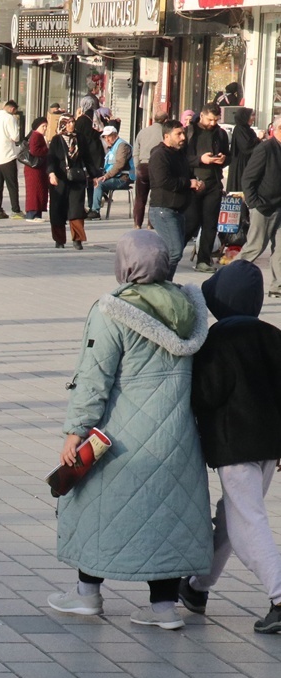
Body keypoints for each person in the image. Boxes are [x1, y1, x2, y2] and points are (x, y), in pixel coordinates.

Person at [47, 230, 211, 630]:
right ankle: (164, 608)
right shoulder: (190, 307)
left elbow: (93, 377)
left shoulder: (112, 311)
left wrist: (75, 430)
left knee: (95, 507)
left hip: (122, 435)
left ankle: (88, 594)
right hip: (177, 437)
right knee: (166, 514)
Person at [179, 261, 281, 632]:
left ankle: (279, 595)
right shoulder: (273, 335)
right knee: (232, 515)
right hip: (269, 446)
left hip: (234, 444)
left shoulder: (216, 341)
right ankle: (197, 586)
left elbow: (207, 394)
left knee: (246, 523)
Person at [147, 119, 199, 277]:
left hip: (178, 210)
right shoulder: (159, 155)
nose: (183, 137)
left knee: (173, 251)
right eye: (178, 134)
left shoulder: (179, 154)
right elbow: (164, 181)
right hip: (163, 210)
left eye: (183, 133)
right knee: (174, 251)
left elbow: (186, 174)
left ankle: (164, 285)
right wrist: (188, 183)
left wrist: (196, 182)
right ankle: (160, 285)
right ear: (166, 136)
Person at [183, 103, 230, 273]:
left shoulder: (221, 134)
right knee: (191, 222)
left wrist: (223, 159)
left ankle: (204, 260)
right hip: (194, 183)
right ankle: (174, 253)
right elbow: (182, 159)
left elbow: (229, 155)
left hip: (213, 183)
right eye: (210, 119)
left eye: (216, 120)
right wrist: (200, 160)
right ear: (202, 115)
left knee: (210, 224)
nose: (212, 123)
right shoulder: (189, 132)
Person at [238, 113, 281, 295]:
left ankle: (278, 286)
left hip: (280, 207)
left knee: (280, 249)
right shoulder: (266, 149)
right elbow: (248, 178)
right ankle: (230, 278)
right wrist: (254, 203)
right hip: (264, 206)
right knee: (255, 246)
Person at [47, 115, 90, 250]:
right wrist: (51, 173)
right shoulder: (56, 140)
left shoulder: (80, 138)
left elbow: (88, 157)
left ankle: (77, 239)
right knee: (57, 209)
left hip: (76, 179)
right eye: (69, 122)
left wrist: (94, 175)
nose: (72, 124)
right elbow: (51, 159)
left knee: (76, 209)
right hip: (59, 179)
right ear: (63, 124)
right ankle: (59, 240)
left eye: (73, 122)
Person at [132, 110, 168, 229]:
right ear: (165, 120)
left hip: (143, 166)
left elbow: (136, 151)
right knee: (155, 197)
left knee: (140, 197)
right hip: (157, 167)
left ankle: (137, 223)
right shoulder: (165, 133)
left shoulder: (143, 132)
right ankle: (151, 224)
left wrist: (137, 166)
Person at [0, 100, 23, 219]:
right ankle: (16, 210)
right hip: (8, 156)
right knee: (12, 185)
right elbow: (15, 137)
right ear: (12, 109)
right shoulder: (10, 118)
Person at [89, 125, 133, 219]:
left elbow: (119, 164)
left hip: (123, 178)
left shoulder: (122, 146)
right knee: (92, 180)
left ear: (115, 135)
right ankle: (91, 208)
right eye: (105, 137)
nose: (107, 139)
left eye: (109, 136)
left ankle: (95, 211)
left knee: (99, 184)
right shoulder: (112, 146)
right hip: (114, 176)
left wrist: (106, 176)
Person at [23, 117, 50, 221]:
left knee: (38, 191)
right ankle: (33, 214)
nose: (45, 128)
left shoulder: (36, 135)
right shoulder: (36, 136)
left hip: (36, 169)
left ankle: (36, 214)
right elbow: (35, 151)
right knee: (35, 192)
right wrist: (46, 149)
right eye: (43, 126)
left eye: (46, 126)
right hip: (35, 169)